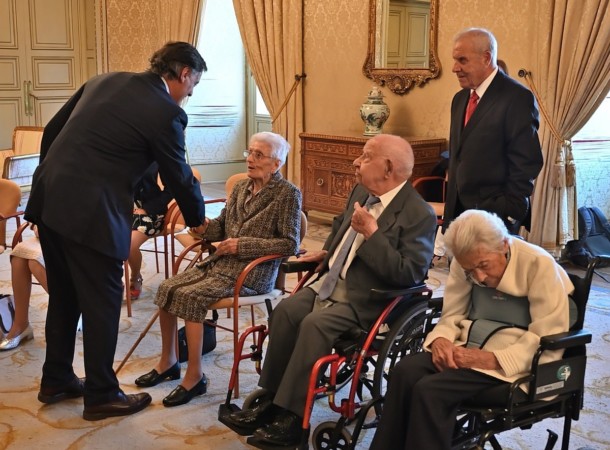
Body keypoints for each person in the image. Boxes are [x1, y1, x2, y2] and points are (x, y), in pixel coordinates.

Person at [24, 41, 209, 421]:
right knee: (104, 300)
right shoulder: (166, 113)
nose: (190, 94)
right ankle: (102, 394)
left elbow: (54, 131)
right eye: (193, 86)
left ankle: (56, 379)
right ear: (184, 74)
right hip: (90, 212)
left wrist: (53, 180)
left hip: (49, 199)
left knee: (65, 295)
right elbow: (179, 174)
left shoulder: (104, 81)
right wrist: (197, 220)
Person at [223, 134, 437, 446]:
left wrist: (373, 234)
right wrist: (327, 253)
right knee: (286, 311)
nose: (356, 162)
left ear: (388, 168)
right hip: (331, 281)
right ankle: (270, 399)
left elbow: (409, 274)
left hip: (370, 298)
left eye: (366, 157)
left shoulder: (419, 214)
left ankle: (293, 418)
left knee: (314, 325)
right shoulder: (362, 191)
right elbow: (339, 227)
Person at [369, 209, 572, 450]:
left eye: (483, 265)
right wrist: (441, 340)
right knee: (404, 371)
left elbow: (546, 336)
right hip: (471, 344)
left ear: (504, 245)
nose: (480, 277)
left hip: (516, 361)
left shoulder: (539, 264)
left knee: (430, 390)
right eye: (470, 270)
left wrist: (493, 359)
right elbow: (452, 314)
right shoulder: (464, 261)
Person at [135, 131, 302, 408]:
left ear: (276, 163)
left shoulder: (288, 194)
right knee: (167, 288)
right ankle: (169, 362)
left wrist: (241, 245)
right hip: (222, 264)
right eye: (249, 152)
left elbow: (289, 243)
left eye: (258, 155)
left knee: (191, 296)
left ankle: (195, 377)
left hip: (253, 272)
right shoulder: (241, 187)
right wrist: (201, 226)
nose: (250, 159)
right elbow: (221, 227)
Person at [443, 28, 543, 234]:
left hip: (496, 217)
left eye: (462, 60)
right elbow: (458, 156)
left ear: (486, 58)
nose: (454, 68)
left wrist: (509, 210)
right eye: (455, 60)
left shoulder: (517, 97)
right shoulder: (459, 99)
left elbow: (527, 162)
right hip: (457, 215)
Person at [128, 161, 173, 299]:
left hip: (151, 213)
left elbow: (171, 189)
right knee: (103, 237)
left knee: (129, 245)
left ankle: (135, 277)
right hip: (121, 208)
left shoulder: (157, 155)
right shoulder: (116, 153)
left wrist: (148, 209)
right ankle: (114, 279)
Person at [0, 230, 46, 351]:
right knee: (19, 255)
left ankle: (75, 308)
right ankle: (21, 325)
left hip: (76, 236)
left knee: (34, 261)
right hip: (47, 234)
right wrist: (36, 225)